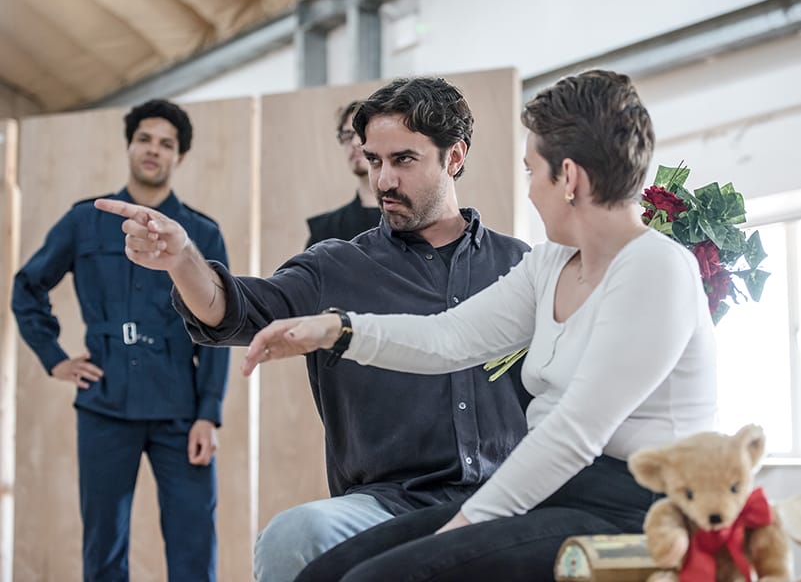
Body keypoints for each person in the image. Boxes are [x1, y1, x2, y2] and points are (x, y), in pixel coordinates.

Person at [238, 69, 720, 581]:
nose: (530, 190)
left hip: (634, 508)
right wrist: (340, 330)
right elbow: (450, 338)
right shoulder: (553, 262)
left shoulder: (654, 267)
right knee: (325, 572)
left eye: (532, 171)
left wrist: (461, 530)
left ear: (570, 178)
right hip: (560, 494)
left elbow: (574, 433)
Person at [94, 76, 532, 582]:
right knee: (292, 536)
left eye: (403, 160)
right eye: (374, 161)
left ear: (453, 158)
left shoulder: (521, 267)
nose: (383, 180)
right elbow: (231, 308)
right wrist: (183, 260)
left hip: (513, 500)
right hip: (387, 508)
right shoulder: (336, 267)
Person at [12, 99, 230, 581]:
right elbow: (27, 288)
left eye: (166, 144)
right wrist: (55, 359)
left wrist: (208, 414)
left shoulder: (201, 234)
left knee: (194, 543)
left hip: (181, 411)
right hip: (104, 407)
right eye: (145, 139)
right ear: (129, 146)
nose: (154, 150)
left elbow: (219, 327)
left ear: (180, 157)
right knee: (103, 546)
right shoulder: (82, 222)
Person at [304, 100, 382, 248]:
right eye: (347, 135)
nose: (354, 143)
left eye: (361, 132)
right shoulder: (325, 230)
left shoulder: (413, 222)